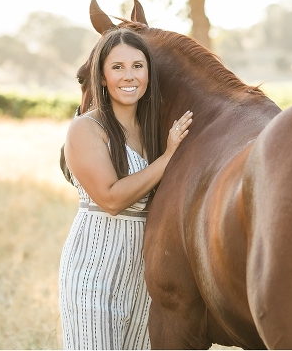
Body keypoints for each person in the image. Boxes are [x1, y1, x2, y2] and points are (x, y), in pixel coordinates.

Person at [59, 27, 193, 350]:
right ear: (102, 77)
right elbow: (111, 198)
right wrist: (168, 157)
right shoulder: (86, 129)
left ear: (148, 73)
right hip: (92, 276)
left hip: (141, 279)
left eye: (137, 66)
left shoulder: (152, 131)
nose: (128, 76)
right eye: (117, 67)